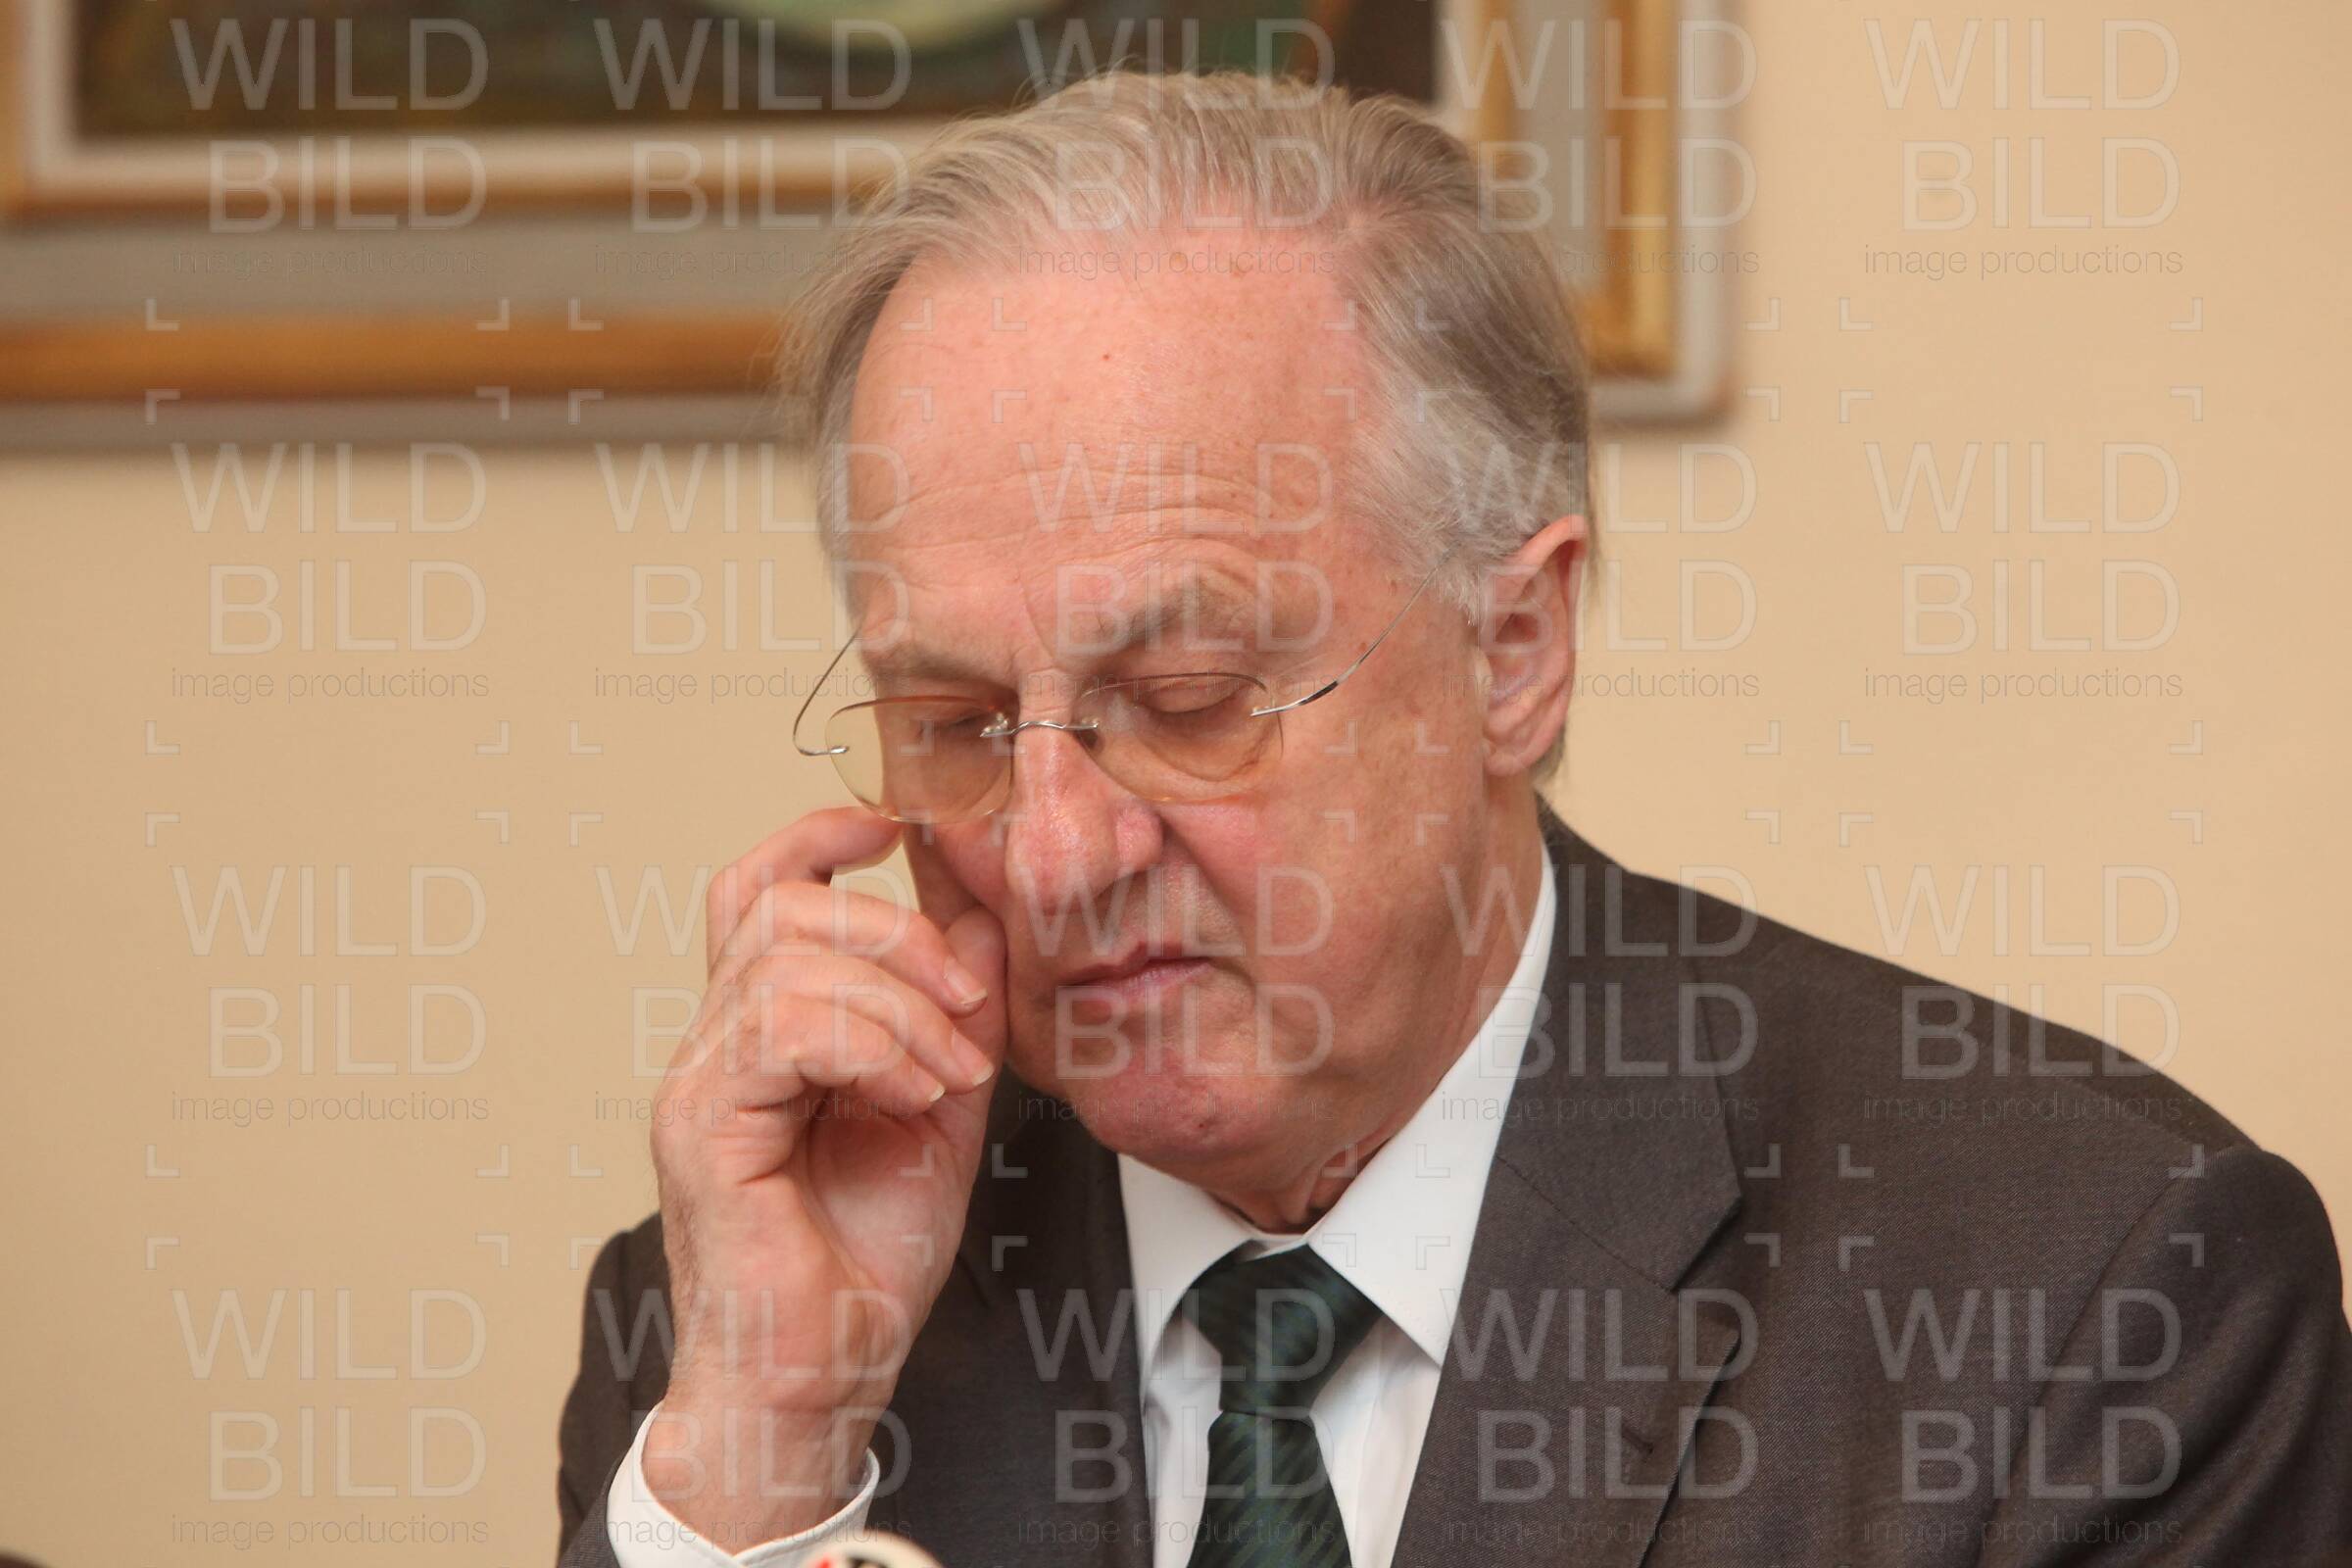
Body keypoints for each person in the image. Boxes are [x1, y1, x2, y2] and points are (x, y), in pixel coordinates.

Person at [557, 70, 2352, 1567]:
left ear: (1515, 652)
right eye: (954, 726)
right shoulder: (754, 1316)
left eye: (1188, 701)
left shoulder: (2088, 1298)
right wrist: (769, 1459)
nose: (1051, 856)